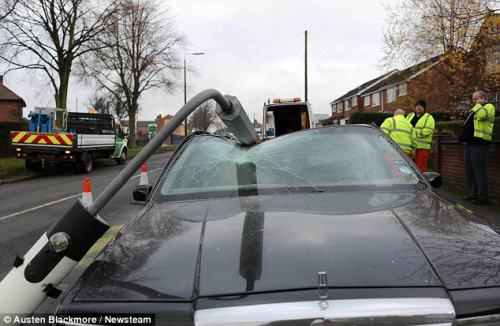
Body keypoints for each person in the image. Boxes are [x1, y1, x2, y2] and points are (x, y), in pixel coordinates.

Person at [459, 90, 496, 205]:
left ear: (483, 98)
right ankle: (473, 193)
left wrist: (478, 105)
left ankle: (482, 196)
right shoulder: (476, 108)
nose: (474, 101)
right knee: (469, 170)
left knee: (478, 170)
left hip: (479, 143)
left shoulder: (488, 107)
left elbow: (482, 116)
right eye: (473, 99)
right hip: (470, 143)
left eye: (476, 99)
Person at [406, 99, 435, 172]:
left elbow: (429, 130)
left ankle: (421, 183)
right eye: (417, 106)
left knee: (420, 168)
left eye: (421, 106)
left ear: (424, 108)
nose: (419, 107)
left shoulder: (429, 117)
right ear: (415, 107)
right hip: (411, 147)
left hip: (422, 148)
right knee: (409, 168)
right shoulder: (409, 116)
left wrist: (414, 132)